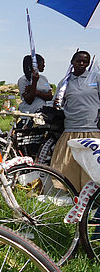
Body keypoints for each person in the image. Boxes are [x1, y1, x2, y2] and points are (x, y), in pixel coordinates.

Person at [51, 50, 100, 191]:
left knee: (91, 164)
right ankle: (70, 192)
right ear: (72, 62)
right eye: (78, 60)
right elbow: (57, 103)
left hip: (93, 129)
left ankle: (92, 194)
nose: (82, 63)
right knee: (67, 163)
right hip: (71, 128)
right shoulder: (65, 82)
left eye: (85, 61)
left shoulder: (95, 78)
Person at [17, 54, 53, 127]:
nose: (44, 66)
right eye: (42, 63)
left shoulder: (43, 79)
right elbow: (29, 100)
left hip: (42, 115)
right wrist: (34, 82)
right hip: (30, 115)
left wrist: (36, 92)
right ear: (35, 65)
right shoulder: (24, 80)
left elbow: (50, 96)